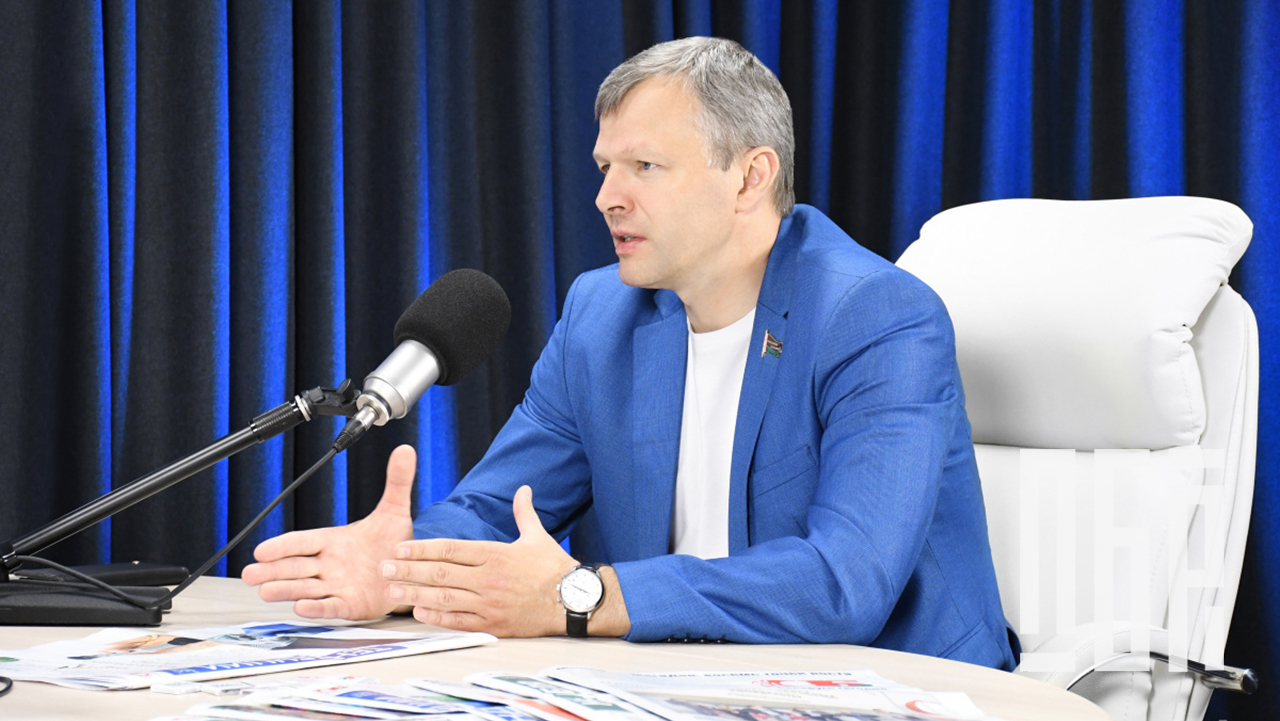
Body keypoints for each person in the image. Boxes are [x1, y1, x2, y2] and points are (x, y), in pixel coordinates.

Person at [243, 37, 1016, 670]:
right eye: (604, 167)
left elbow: (845, 581)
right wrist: (404, 564)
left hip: (895, 685)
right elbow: (495, 509)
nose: (607, 196)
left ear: (750, 177)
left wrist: (580, 596)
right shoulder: (601, 315)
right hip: (682, 683)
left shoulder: (875, 315)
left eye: (644, 166)